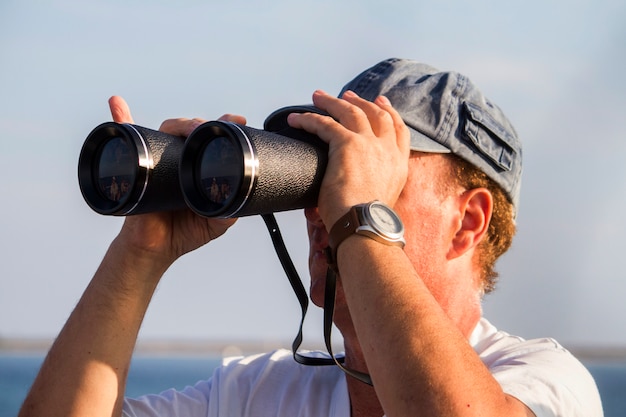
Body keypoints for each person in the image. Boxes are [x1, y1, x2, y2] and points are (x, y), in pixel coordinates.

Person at [18, 58, 603, 417]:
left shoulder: (545, 384)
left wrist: (360, 217)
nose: (324, 206)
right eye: (320, 173)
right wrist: (137, 255)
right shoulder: (256, 394)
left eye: (371, 170)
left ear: (468, 221)